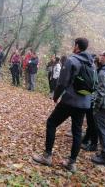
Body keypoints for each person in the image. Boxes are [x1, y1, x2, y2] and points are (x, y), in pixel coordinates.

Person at [33, 38, 94, 172]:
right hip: (84, 103)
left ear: (77, 46)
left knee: (51, 123)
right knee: (77, 132)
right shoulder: (92, 64)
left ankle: (47, 156)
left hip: (70, 101)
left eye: (74, 45)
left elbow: (62, 82)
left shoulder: (72, 60)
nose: (73, 47)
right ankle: (71, 163)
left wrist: (56, 96)